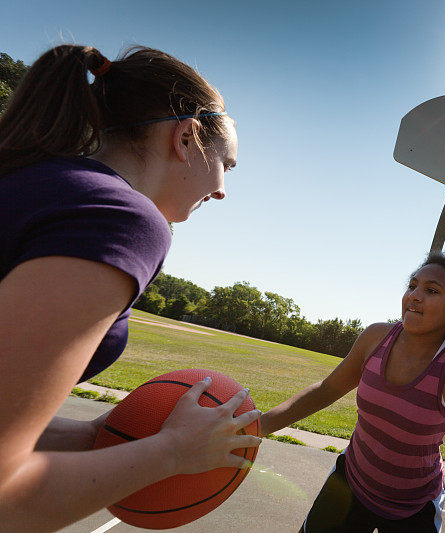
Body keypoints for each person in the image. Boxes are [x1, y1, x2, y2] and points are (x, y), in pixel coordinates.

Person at [0, 45, 261, 531]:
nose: (223, 189)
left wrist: (96, 436)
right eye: (227, 163)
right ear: (186, 137)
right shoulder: (119, 219)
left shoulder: (38, 178)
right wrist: (173, 453)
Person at [259, 139, 445, 532]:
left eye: (431, 291)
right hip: (350, 485)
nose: (414, 295)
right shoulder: (377, 337)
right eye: (412, 285)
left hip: (413, 509)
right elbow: (326, 390)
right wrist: (258, 426)